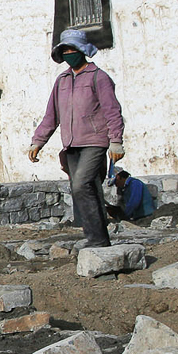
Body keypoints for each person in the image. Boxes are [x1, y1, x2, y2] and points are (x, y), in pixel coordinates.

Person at [28, 28, 125, 249]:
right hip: (71, 144)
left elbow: (112, 111)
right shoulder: (61, 81)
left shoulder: (98, 77)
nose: (69, 53)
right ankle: (98, 240)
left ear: (82, 51)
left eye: (73, 49)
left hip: (95, 141)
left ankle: (97, 240)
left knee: (82, 184)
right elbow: (51, 115)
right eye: (65, 50)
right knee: (86, 189)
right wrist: (38, 141)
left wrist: (116, 140)